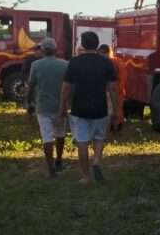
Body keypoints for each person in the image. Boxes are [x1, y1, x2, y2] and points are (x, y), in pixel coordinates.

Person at [60, 31, 118, 184]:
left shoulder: (75, 62)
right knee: (99, 137)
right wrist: (116, 110)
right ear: (97, 44)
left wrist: (63, 107)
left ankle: (85, 176)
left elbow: (66, 86)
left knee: (82, 142)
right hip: (100, 108)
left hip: (80, 108)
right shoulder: (107, 63)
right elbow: (112, 88)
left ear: (83, 45)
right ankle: (97, 159)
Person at [26, 38, 68, 178]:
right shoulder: (64, 64)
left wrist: (28, 104)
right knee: (60, 134)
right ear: (55, 50)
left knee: (47, 136)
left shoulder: (36, 65)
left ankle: (50, 168)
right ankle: (59, 161)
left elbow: (31, 86)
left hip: (43, 106)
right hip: (60, 106)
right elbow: (69, 87)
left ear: (42, 50)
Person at [98, 44, 126, 132]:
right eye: (101, 53)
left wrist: (120, 87)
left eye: (105, 53)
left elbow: (123, 75)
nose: (103, 55)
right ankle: (108, 127)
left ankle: (117, 126)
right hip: (104, 90)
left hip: (116, 89)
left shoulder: (117, 61)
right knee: (106, 109)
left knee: (117, 108)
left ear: (110, 52)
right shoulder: (100, 61)